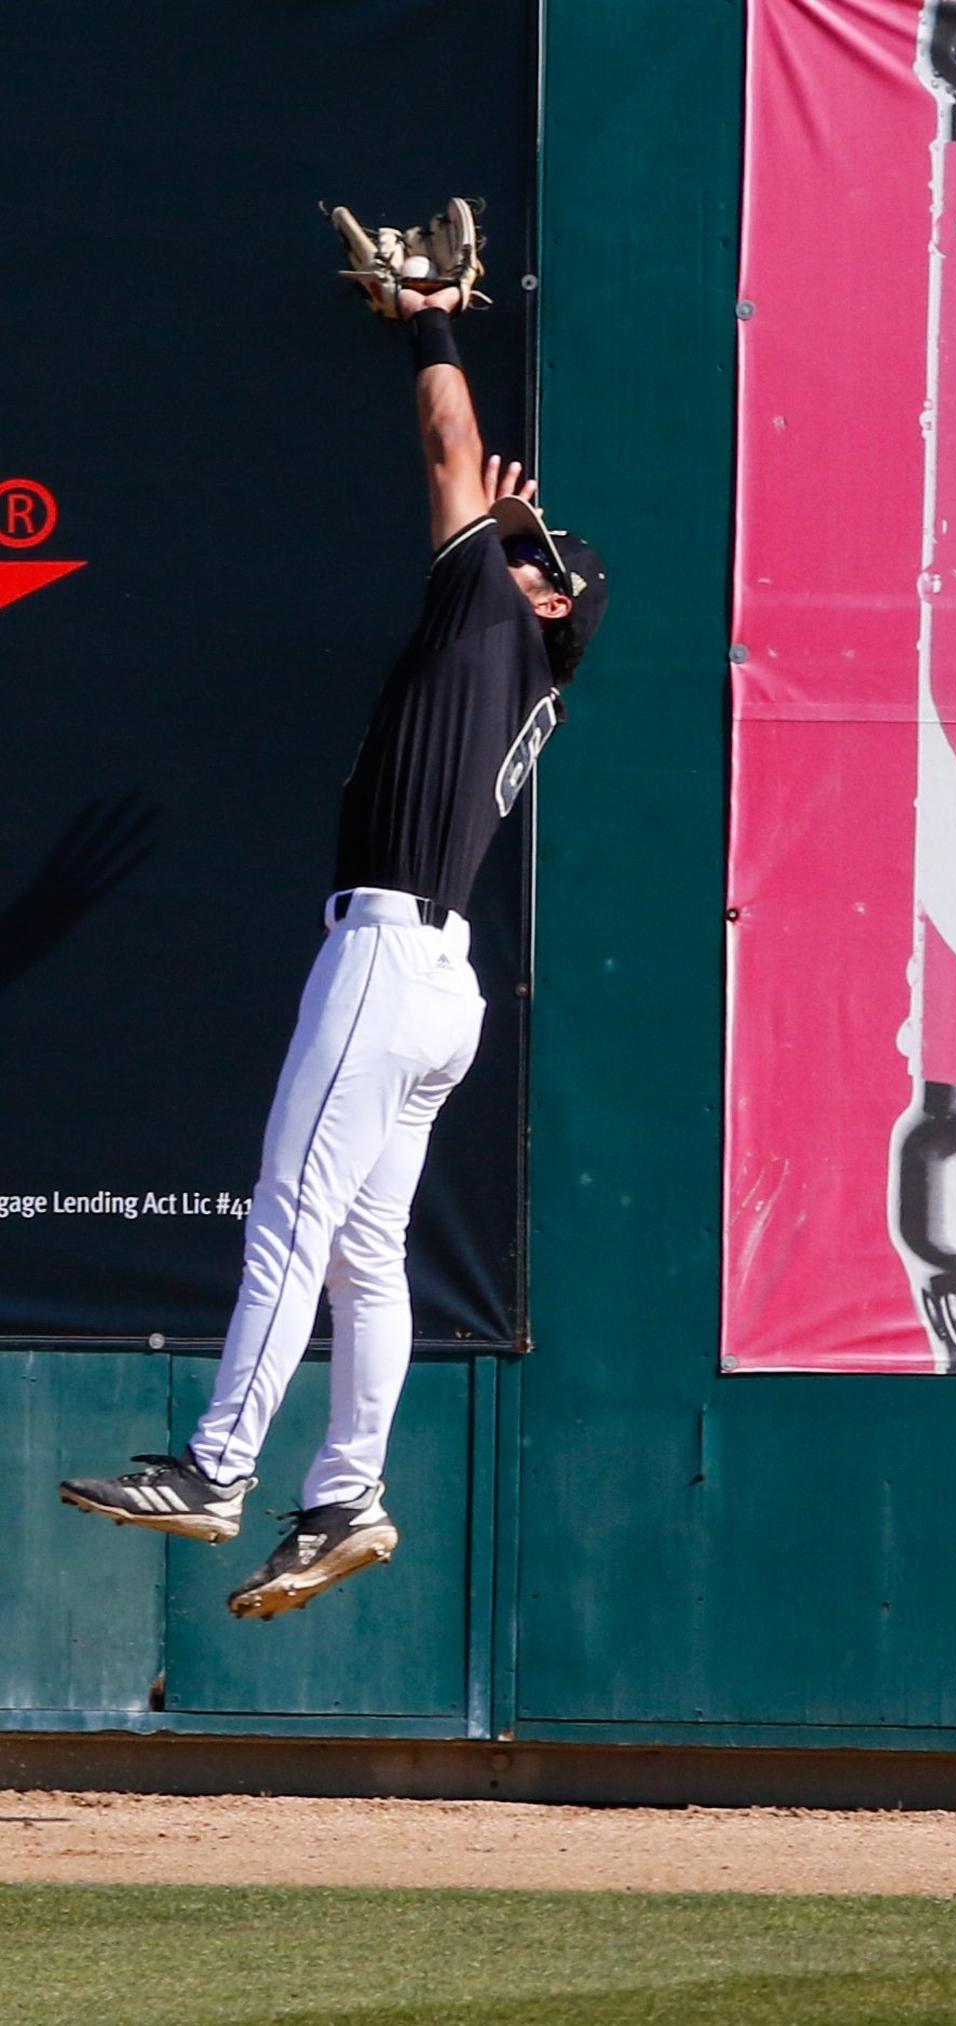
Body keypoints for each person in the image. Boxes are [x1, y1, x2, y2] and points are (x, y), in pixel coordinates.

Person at [59, 201, 607, 1620]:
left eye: (533, 540)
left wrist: (430, 317)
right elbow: (476, 489)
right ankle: (345, 1492)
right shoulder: (519, 658)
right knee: (368, 1257)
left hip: (385, 953)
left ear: (544, 594)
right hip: (442, 986)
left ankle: (222, 1466)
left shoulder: (497, 616)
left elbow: (446, 452)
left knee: (294, 1220)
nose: (511, 524)